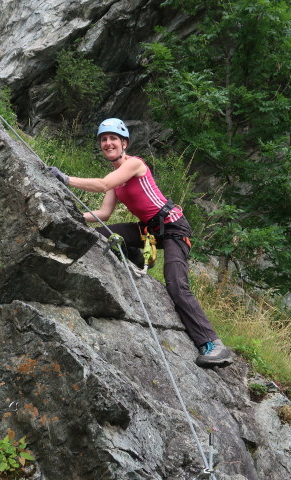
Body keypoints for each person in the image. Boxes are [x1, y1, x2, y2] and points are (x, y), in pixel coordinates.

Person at [48, 118, 232, 368]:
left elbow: (102, 185)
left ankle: (213, 344)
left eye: (113, 138)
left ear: (124, 143)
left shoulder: (135, 164)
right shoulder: (116, 178)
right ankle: (135, 258)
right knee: (103, 234)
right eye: (104, 139)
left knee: (176, 284)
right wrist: (75, 217)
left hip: (174, 227)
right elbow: (103, 214)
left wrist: (66, 179)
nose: (108, 143)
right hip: (148, 230)